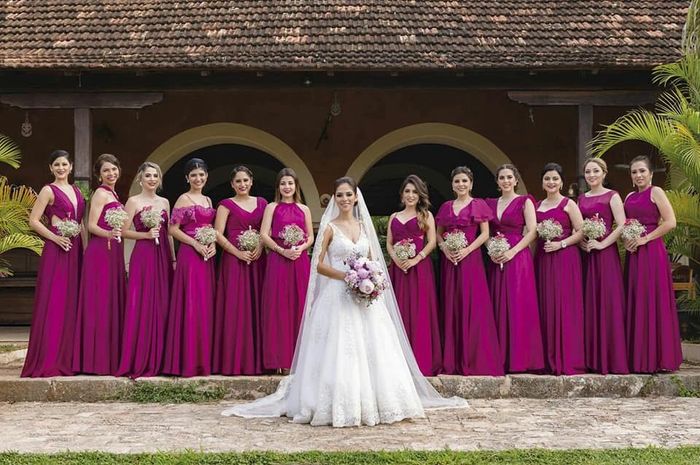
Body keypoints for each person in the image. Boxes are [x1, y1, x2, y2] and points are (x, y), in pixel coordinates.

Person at [222, 177, 467, 427]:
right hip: (336, 296)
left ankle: (377, 400)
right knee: (338, 349)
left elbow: (373, 260)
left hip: (365, 296)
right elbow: (318, 264)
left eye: (349, 194)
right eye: (340, 195)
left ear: (356, 197)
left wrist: (369, 278)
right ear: (335, 199)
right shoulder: (329, 227)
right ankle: (336, 402)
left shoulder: (364, 227)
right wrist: (346, 276)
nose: (345, 199)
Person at [22, 150, 86, 377]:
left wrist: (86, 250)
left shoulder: (77, 191)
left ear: (71, 167)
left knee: (72, 300)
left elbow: (81, 224)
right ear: (51, 168)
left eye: (64, 164)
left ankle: (69, 357)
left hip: (76, 250)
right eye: (56, 164)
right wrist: (55, 237)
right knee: (55, 300)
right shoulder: (48, 190)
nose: (61, 168)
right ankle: (49, 358)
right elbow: (33, 221)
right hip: (56, 249)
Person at [435, 166, 503, 376]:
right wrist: (445, 249)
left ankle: (474, 358)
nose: (461, 184)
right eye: (457, 181)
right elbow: (438, 234)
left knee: (472, 304)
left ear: (471, 184)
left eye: (464, 181)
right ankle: (452, 359)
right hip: (450, 262)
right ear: (452, 185)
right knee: (451, 303)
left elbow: (485, 234)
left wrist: (466, 250)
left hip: (471, 261)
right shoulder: (446, 207)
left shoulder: (478, 205)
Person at [623, 155, 682, 373]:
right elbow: (625, 224)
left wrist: (645, 239)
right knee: (636, 298)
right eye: (634, 172)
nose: (638, 175)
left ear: (651, 173)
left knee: (652, 298)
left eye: (642, 171)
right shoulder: (629, 196)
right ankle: (638, 357)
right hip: (633, 252)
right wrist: (627, 240)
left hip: (652, 252)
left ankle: (657, 358)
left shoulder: (656, 192)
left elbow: (671, 222)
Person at [485, 164, 544, 373]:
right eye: (502, 177)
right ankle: (499, 357)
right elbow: (486, 232)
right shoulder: (490, 204)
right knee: (498, 303)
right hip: (496, 256)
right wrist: (491, 249)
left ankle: (521, 359)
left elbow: (532, 231)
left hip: (518, 257)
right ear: (497, 181)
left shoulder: (525, 201)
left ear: (516, 180)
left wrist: (513, 252)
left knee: (518, 303)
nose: (506, 181)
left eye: (509, 177)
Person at [117, 162, 174, 378]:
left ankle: (162, 359)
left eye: (155, 176)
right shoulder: (133, 201)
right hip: (143, 255)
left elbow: (168, 233)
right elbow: (123, 231)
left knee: (162, 302)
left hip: (163, 256)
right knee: (142, 302)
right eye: (148, 175)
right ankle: (140, 357)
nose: (152, 179)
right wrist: (145, 235)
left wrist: (173, 259)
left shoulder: (165, 202)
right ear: (140, 179)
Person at [72, 153, 126, 375]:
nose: (111, 173)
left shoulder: (113, 193)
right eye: (106, 171)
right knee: (100, 302)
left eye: (113, 169)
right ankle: (96, 360)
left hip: (113, 252)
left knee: (109, 301)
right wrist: (110, 233)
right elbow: (91, 225)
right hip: (101, 252)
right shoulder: (101, 194)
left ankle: (109, 357)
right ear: (99, 175)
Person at [162, 158, 216, 377]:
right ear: (187, 178)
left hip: (207, 256)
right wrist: (195, 244)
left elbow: (210, 227)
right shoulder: (183, 199)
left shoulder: (208, 200)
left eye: (201, 174)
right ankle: (188, 360)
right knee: (191, 302)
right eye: (193, 175)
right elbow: (173, 229)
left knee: (204, 304)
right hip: (190, 255)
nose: (198, 178)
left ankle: (203, 360)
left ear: (206, 176)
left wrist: (212, 244)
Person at [213, 165, 267, 375]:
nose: (242, 184)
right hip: (234, 261)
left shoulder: (262, 203)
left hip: (257, 260)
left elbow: (267, 230)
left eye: (245, 180)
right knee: (235, 306)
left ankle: (258, 361)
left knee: (257, 304)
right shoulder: (225, 205)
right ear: (232, 184)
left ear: (251, 181)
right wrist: (237, 252)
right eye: (238, 181)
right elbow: (218, 233)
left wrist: (260, 247)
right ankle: (233, 361)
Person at [259, 168, 313, 373]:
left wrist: (301, 247)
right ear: (278, 187)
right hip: (278, 260)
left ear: (296, 185)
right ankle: (278, 360)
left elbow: (310, 236)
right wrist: (282, 250)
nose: (287, 187)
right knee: (278, 306)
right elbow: (264, 235)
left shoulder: (304, 209)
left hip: (299, 260)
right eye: (283, 183)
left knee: (300, 304)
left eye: (290, 183)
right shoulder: (272, 207)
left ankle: (299, 361)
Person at [386, 175, 441, 376]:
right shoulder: (394, 216)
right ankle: (398, 362)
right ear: (402, 194)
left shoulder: (425, 215)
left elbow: (432, 242)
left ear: (420, 195)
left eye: (414, 192)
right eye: (407, 191)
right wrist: (396, 259)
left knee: (419, 311)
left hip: (419, 270)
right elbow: (389, 243)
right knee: (398, 310)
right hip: (398, 270)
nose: (410, 195)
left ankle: (421, 360)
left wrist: (416, 259)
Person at [578, 158, 628, 374]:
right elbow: (578, 226)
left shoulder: (612, 196)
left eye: (596, 171)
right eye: (588, 172)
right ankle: (591, 358)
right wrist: (581, 241)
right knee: (589, 301)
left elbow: (622, 224)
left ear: (604, 173)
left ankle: (611, 358)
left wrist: (602, 244)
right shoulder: (581, 198)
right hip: (587, 255)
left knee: (608, 301)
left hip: (606, 254)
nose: (591, 175)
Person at [534, 162, 585, 375]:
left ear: (561, 182)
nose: (551, 182)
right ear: (542, 182)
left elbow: (581, 231)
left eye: (555, 178)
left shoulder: (569, 204)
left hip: (565, 258)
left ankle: (568, 357)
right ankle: (547, 358)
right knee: (545, 305)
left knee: (564, 305)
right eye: (547, 179)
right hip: (543, 258)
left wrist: (561, 244)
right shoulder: (536, 206)